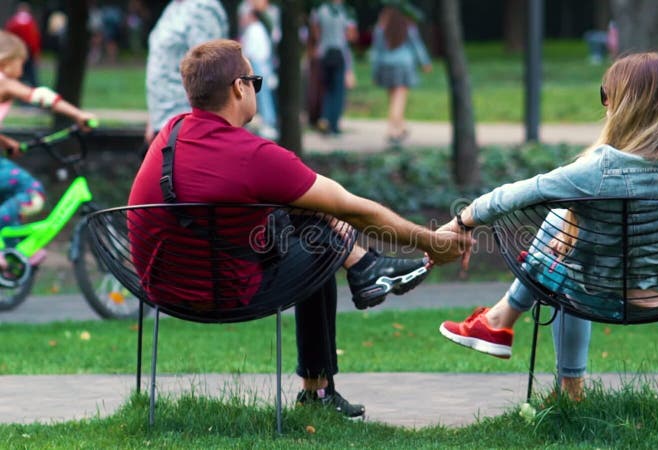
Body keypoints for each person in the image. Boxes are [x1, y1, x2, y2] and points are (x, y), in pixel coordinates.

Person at [128, 39, 470, 416]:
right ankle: (321, 383)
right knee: (322, 239)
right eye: (254, 80)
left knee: (310, 215)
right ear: (238, 87)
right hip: (224, 291)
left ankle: (365, 267)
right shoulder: (254, 156)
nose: (256, 89)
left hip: (162, 285)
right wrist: (432, 241)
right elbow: (356, 210)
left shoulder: (170, 134)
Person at [437, 52, 658, 401]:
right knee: (564, 229)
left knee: (556, 259)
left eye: (606, 93)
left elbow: (515, 195)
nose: (604, 102)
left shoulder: (599, 170)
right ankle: (500, 323)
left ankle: (513, 334)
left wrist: (461, 222)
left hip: (608, 294)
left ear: (623, 102)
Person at [0, 31, 95, 262]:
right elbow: (40, 96)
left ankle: (13, 250)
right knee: (32, 192)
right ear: (5, 60)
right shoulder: (3, 81)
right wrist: (78, 114)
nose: (22, 69)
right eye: (20, 62)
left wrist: (5, 142)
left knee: (12, 195)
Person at [144, 0, 228, 144]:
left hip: (187, 127)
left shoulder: (203, 8)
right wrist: (153, 119)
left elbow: (210, 71)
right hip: (165, 122)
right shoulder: (174, 6)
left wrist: (198, 128)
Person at [370, 4, 431, 144]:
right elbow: (417, 45)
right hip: (403, 65)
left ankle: (401, 126)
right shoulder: (408, 26)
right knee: (399, 99)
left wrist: (375, 72)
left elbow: (376, 53)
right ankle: (392, 130)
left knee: (393, 99)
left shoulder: (380, 29)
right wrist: (425, 62)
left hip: (386, 65)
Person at [309, 0, 357, 135]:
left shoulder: (319, 11)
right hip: (338, 53)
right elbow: (351, 35)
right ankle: (334, 123)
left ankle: (325, 119)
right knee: (338, 90)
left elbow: (315, 32)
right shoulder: (345, 12)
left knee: (326, 88)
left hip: (323, 53)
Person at [238, 0, 278, 139]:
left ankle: (268, 121)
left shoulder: (254, 29)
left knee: (263, 94)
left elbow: (252, 50)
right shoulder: (257, 28)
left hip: (257, 63)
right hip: (260, 62)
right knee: (261, 94)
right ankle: (266, 120)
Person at [4, 2, 41, 87]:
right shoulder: (30, 22)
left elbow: (8, 36)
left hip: (15, 51)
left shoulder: (13, 21)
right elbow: (34, 40)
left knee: (17, 74)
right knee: (31, 76)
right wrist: (36, 53)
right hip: (28, 51)